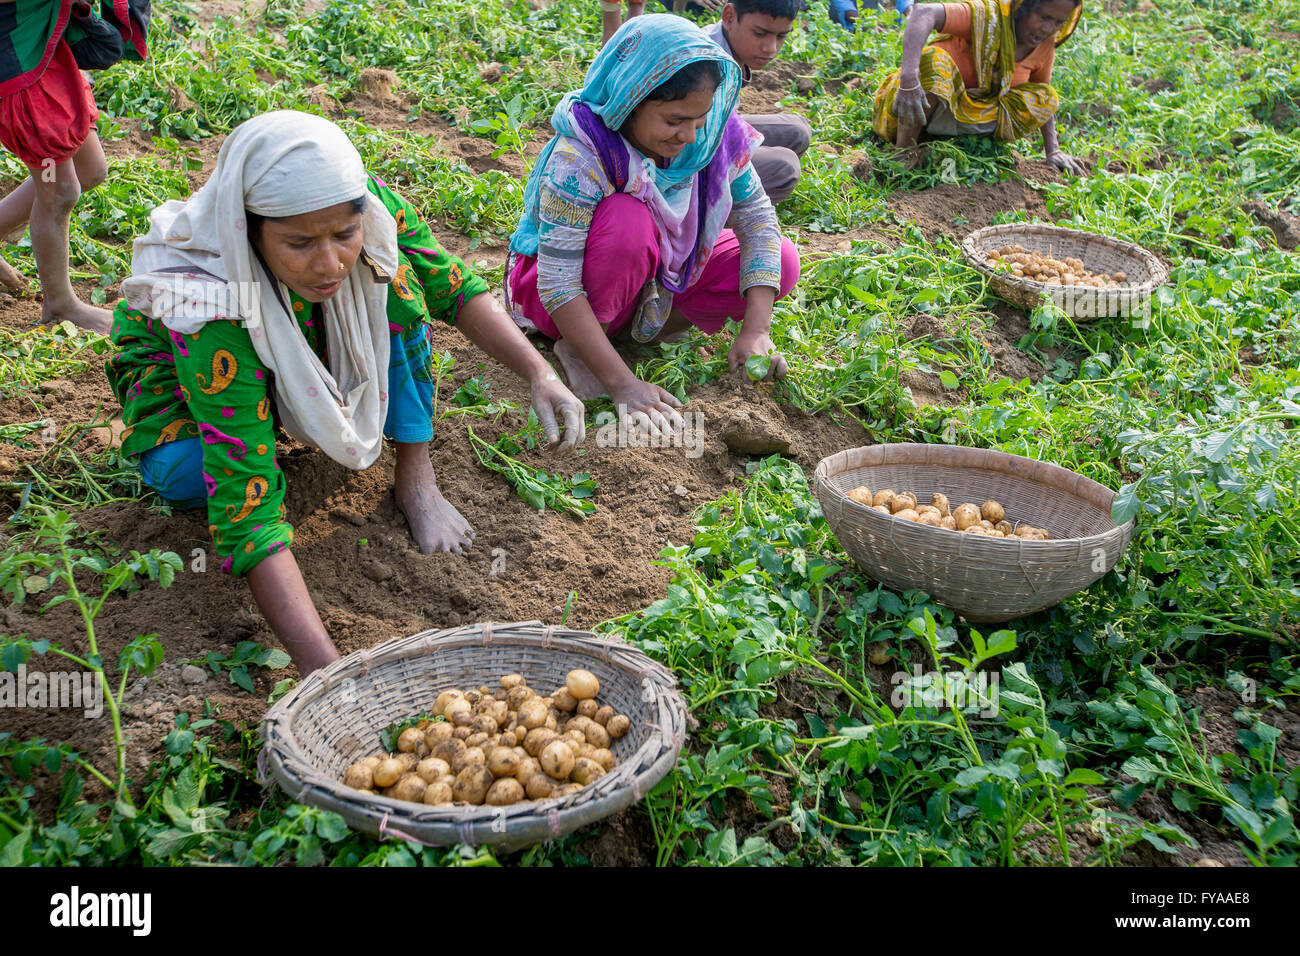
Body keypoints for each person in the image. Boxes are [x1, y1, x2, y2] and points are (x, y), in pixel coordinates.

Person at [104, 111, 585, 675]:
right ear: (249, 231)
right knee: (192, 477)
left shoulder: (363, 207)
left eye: (343, 235)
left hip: (309, 329)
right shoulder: (208, 305)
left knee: (395, 286)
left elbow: (451, 287)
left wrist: (539, 373)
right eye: (299, 242)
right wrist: (327, 671)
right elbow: (249, 515)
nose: (330, 261)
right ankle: (252, 420)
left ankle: (416, 478)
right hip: (183, 377)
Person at [504, 15, 800, 438]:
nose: (691, 137)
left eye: (699, 120)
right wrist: (623, 384)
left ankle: (640, 327)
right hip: (562, 299)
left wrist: (756, 331)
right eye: (675, 120)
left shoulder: (712, 131)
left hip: (648, 282)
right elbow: (558, 283)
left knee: (783, 262)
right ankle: (586, 349)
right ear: (631, 98)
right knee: (628, 223)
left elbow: (757, 218)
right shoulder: (580, 157)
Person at [0, 0, 131, 333]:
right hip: (21, 63)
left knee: (90, 169)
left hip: (46, 50)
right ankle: (60, 305)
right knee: (59, 190)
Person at [873, 0, 1087, 173]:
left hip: (973, 119)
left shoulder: (1044, 45)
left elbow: (1042, 95)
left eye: (1059, 22)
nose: (1048, 28)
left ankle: (953, 143)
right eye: (1044, 17)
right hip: (919, 105)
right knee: (933, 60)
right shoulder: (986, 17)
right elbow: (923, 12)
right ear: (1024, 6)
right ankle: (903, 152)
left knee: (1045, 96)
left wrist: (1053, 151)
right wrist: (909, 80)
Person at [705, 0, 811, 203]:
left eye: (781, 36)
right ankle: (713, 216)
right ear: (729, 17)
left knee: (798, 131)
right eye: (760, 34)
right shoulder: (709, 62)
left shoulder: (727, 45)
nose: (770, 48)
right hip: (689, 155)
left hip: (717, 130)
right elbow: (694, 142)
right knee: (785, 168)